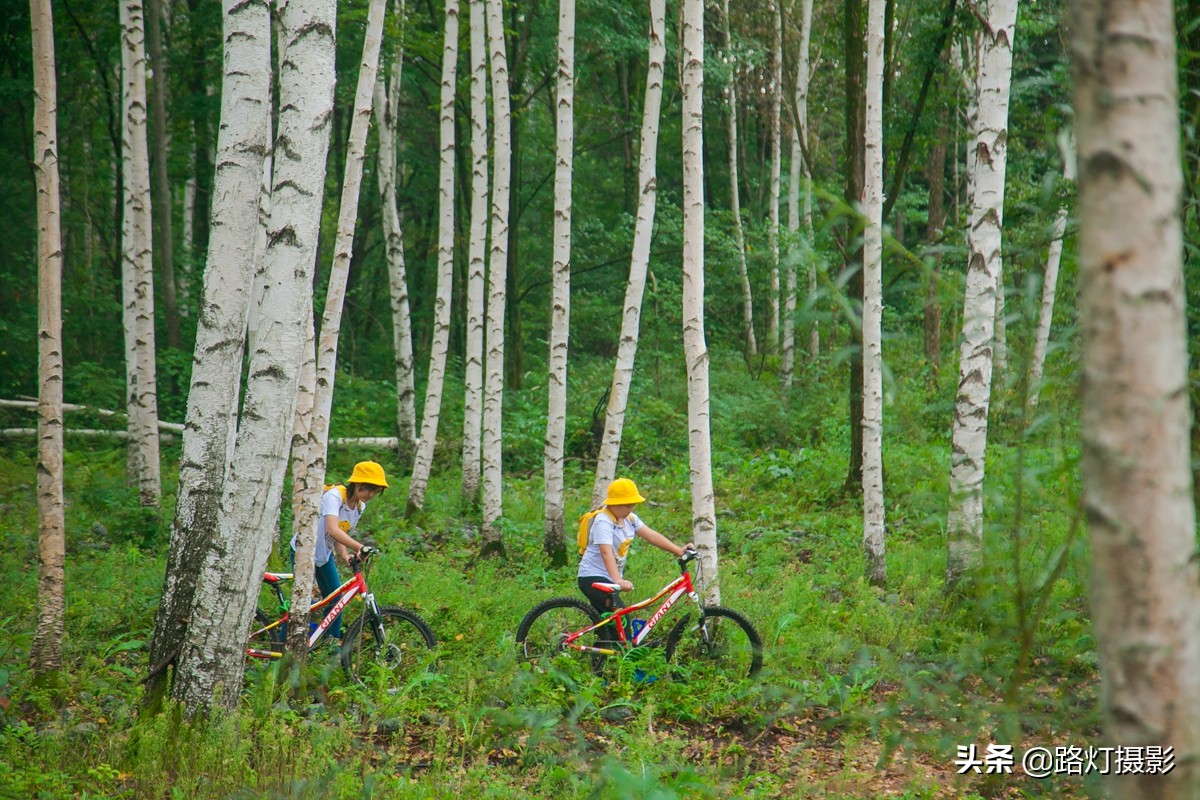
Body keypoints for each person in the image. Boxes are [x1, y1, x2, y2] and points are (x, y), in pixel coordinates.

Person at [577, 477, 693, 648]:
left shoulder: (629, 519)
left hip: (608, 578)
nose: (631, 508)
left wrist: (678, 550)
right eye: (627, 505)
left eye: (632, 504)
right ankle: (620, 659)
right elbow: (606, 552)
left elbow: (651, 535)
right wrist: (617, 580)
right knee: (622, 620)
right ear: (614, 504)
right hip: (593, 577)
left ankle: (603, 662)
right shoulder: (603, 521)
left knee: (611, 625)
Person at [290, 460, 389, 638]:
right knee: (301, 605)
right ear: (357, 482)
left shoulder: (359, 507)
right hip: (303, 552)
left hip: (323, 557)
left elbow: (340, 533)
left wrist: (345, 555)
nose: (371, 494)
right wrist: (361, 547)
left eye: (375, 491)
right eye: (368, 488)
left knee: (336, 601)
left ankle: (331, 646)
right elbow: (332, 529)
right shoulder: (335, 496)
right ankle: (282, 649)